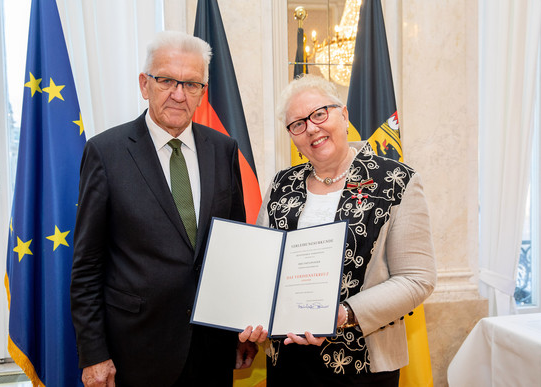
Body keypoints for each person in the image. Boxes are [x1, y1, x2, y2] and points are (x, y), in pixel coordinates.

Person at [70, 30, 257, 386]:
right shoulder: (105, 153)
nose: (178, 94)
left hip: (211, 347)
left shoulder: (223, 149)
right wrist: (94, 353)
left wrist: (238, 332)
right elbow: (87, 265)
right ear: (144, 84)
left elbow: (235, 252)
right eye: (166, 80)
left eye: (191, 84)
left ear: (202, 92)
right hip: (136, 349)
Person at [240, 74, 437, 386]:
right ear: (292, 136)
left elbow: (417, 279)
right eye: (297, 124)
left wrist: (344, 314)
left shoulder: (396, 181)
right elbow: (261, 269)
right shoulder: (281, 184)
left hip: (364, 361)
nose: (312, 128)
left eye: (319, 113)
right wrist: (250, 317)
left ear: (343, 115)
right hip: (287, 360)